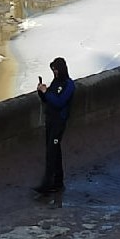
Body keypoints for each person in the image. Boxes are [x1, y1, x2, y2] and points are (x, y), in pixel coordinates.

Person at [35, 57, 76, 195]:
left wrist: (47, 93)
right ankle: (58, 182)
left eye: (56, 70)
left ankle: (48, 184)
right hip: (51, 120)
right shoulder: (56, 82)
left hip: (59, 122)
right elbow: (49, 100)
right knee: (54, 150)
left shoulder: (69, 85)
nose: (55, 73)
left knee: (52, 151)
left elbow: (59, 102)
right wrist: (42, 92)